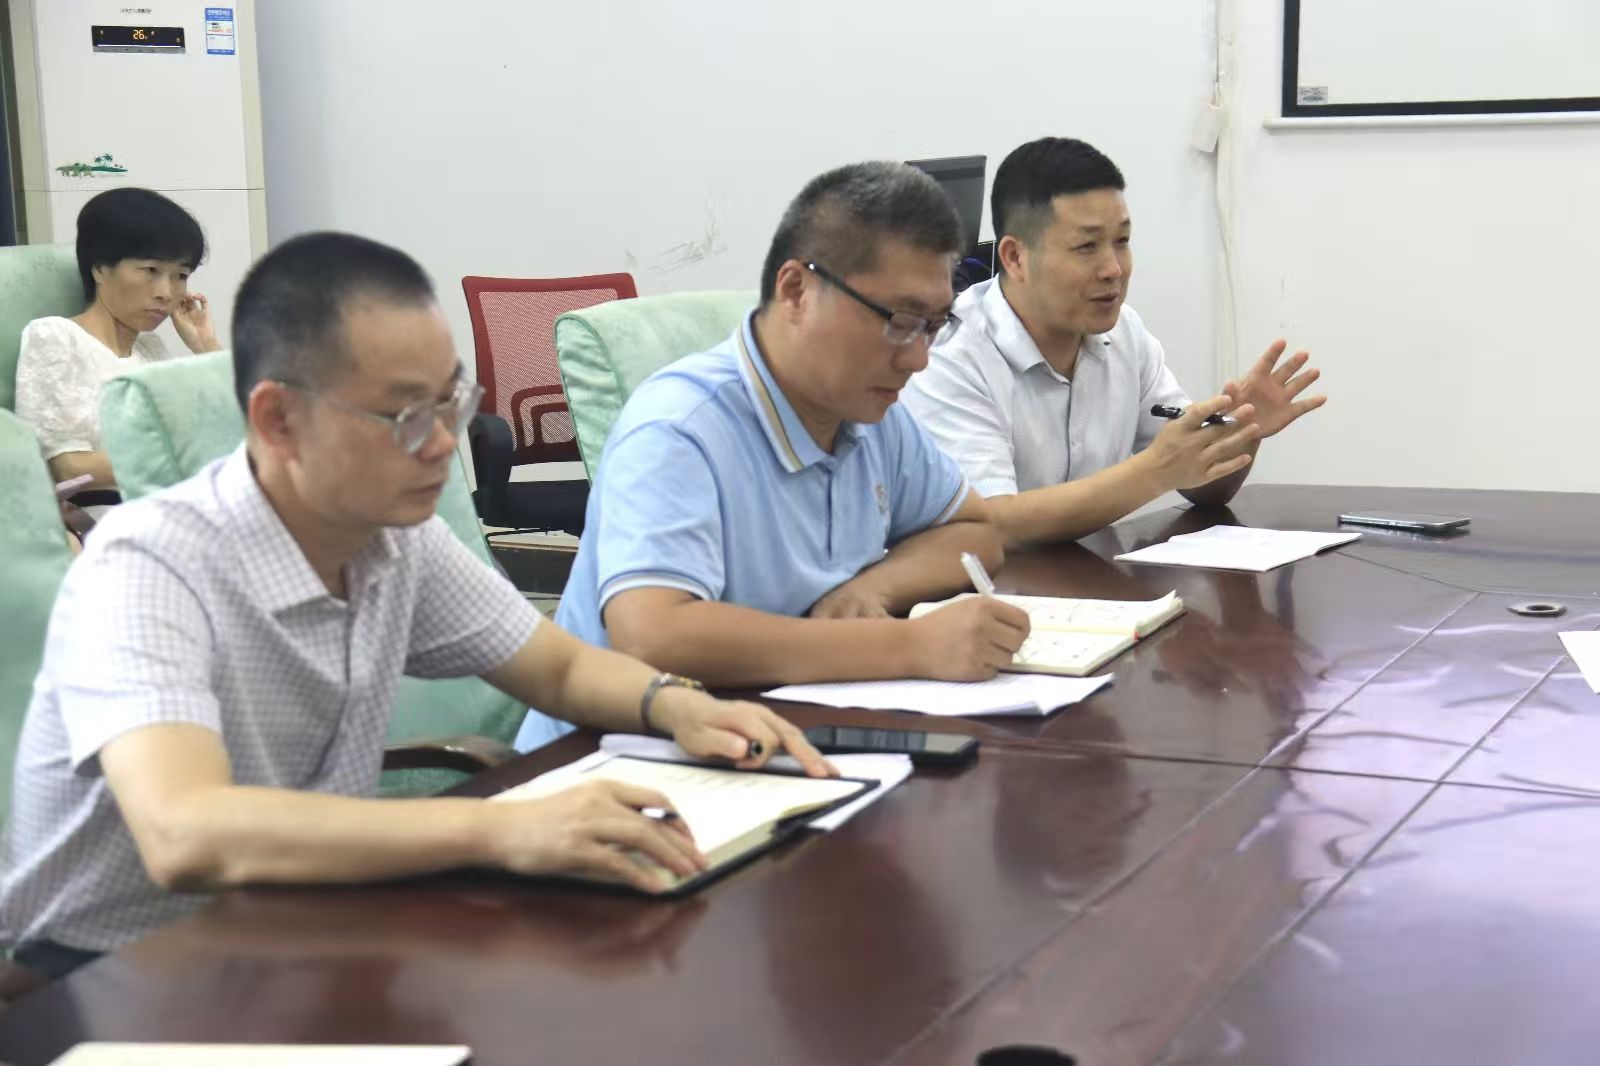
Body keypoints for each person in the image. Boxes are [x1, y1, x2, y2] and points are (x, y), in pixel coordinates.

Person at [0, 232, 831, 979]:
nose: (441, 446)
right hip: (100, 973)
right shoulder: (147, 565)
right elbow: (185, 833)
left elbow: (559, 668)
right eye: (404, 416)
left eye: (450, 405)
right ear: (279, 420)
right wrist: (505, 828)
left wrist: (677, 705)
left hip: (292, 925)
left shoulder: (393, 534)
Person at [548, 162, 1029, 709]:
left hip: (777, 720)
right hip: (622, 746)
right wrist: (909, 645)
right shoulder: (679, 429)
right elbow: (654, 634)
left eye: (933, 326)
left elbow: (974, 533)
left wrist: (873, 588)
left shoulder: (868, 412)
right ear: (797, 290)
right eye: (900, 321)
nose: (918, 358)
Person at [901, 138, 1327, 545]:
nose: (1113, 269)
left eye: (1121, 241)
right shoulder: (948, 357)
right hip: (986, 592)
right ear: (1015, 257)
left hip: (1093, 584)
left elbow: (1202, 486)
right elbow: (989, 525)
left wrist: (1239, 432)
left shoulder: (1124, 333)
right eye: (1087, 247)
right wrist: (1155, 471)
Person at [14, 187, 222, 494]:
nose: (166, 292)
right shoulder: (56, 337)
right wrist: (187, 461)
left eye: (180, 275)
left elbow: (231, 428)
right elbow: (69, 468)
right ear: (100, 268)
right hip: (109, 514)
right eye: (151, 270)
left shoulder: (150, 350)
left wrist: (205, 346)